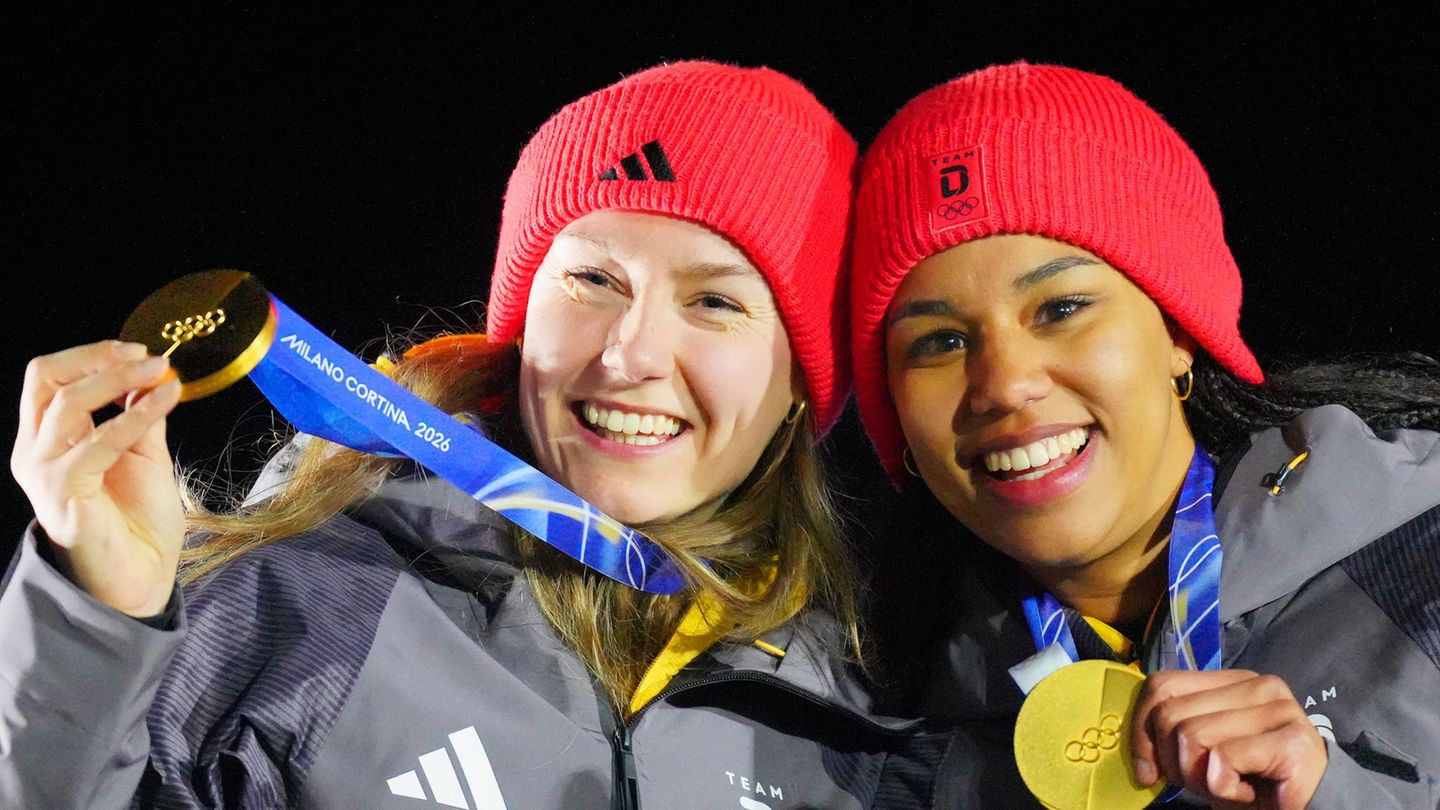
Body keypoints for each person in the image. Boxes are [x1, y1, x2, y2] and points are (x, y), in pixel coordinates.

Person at [1, 61, 912, 809]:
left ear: (803, 382)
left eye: (714, 302)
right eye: (593, 280)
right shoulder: (293, 607)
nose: (630, 353)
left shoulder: (854, 729)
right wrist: (94, 627)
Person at [850, 62, 1440, 807]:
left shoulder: (1424, 550)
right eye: (937, 343)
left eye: (1061, 308)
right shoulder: (882, 737)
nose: (1002, 383)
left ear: (1178, 334)